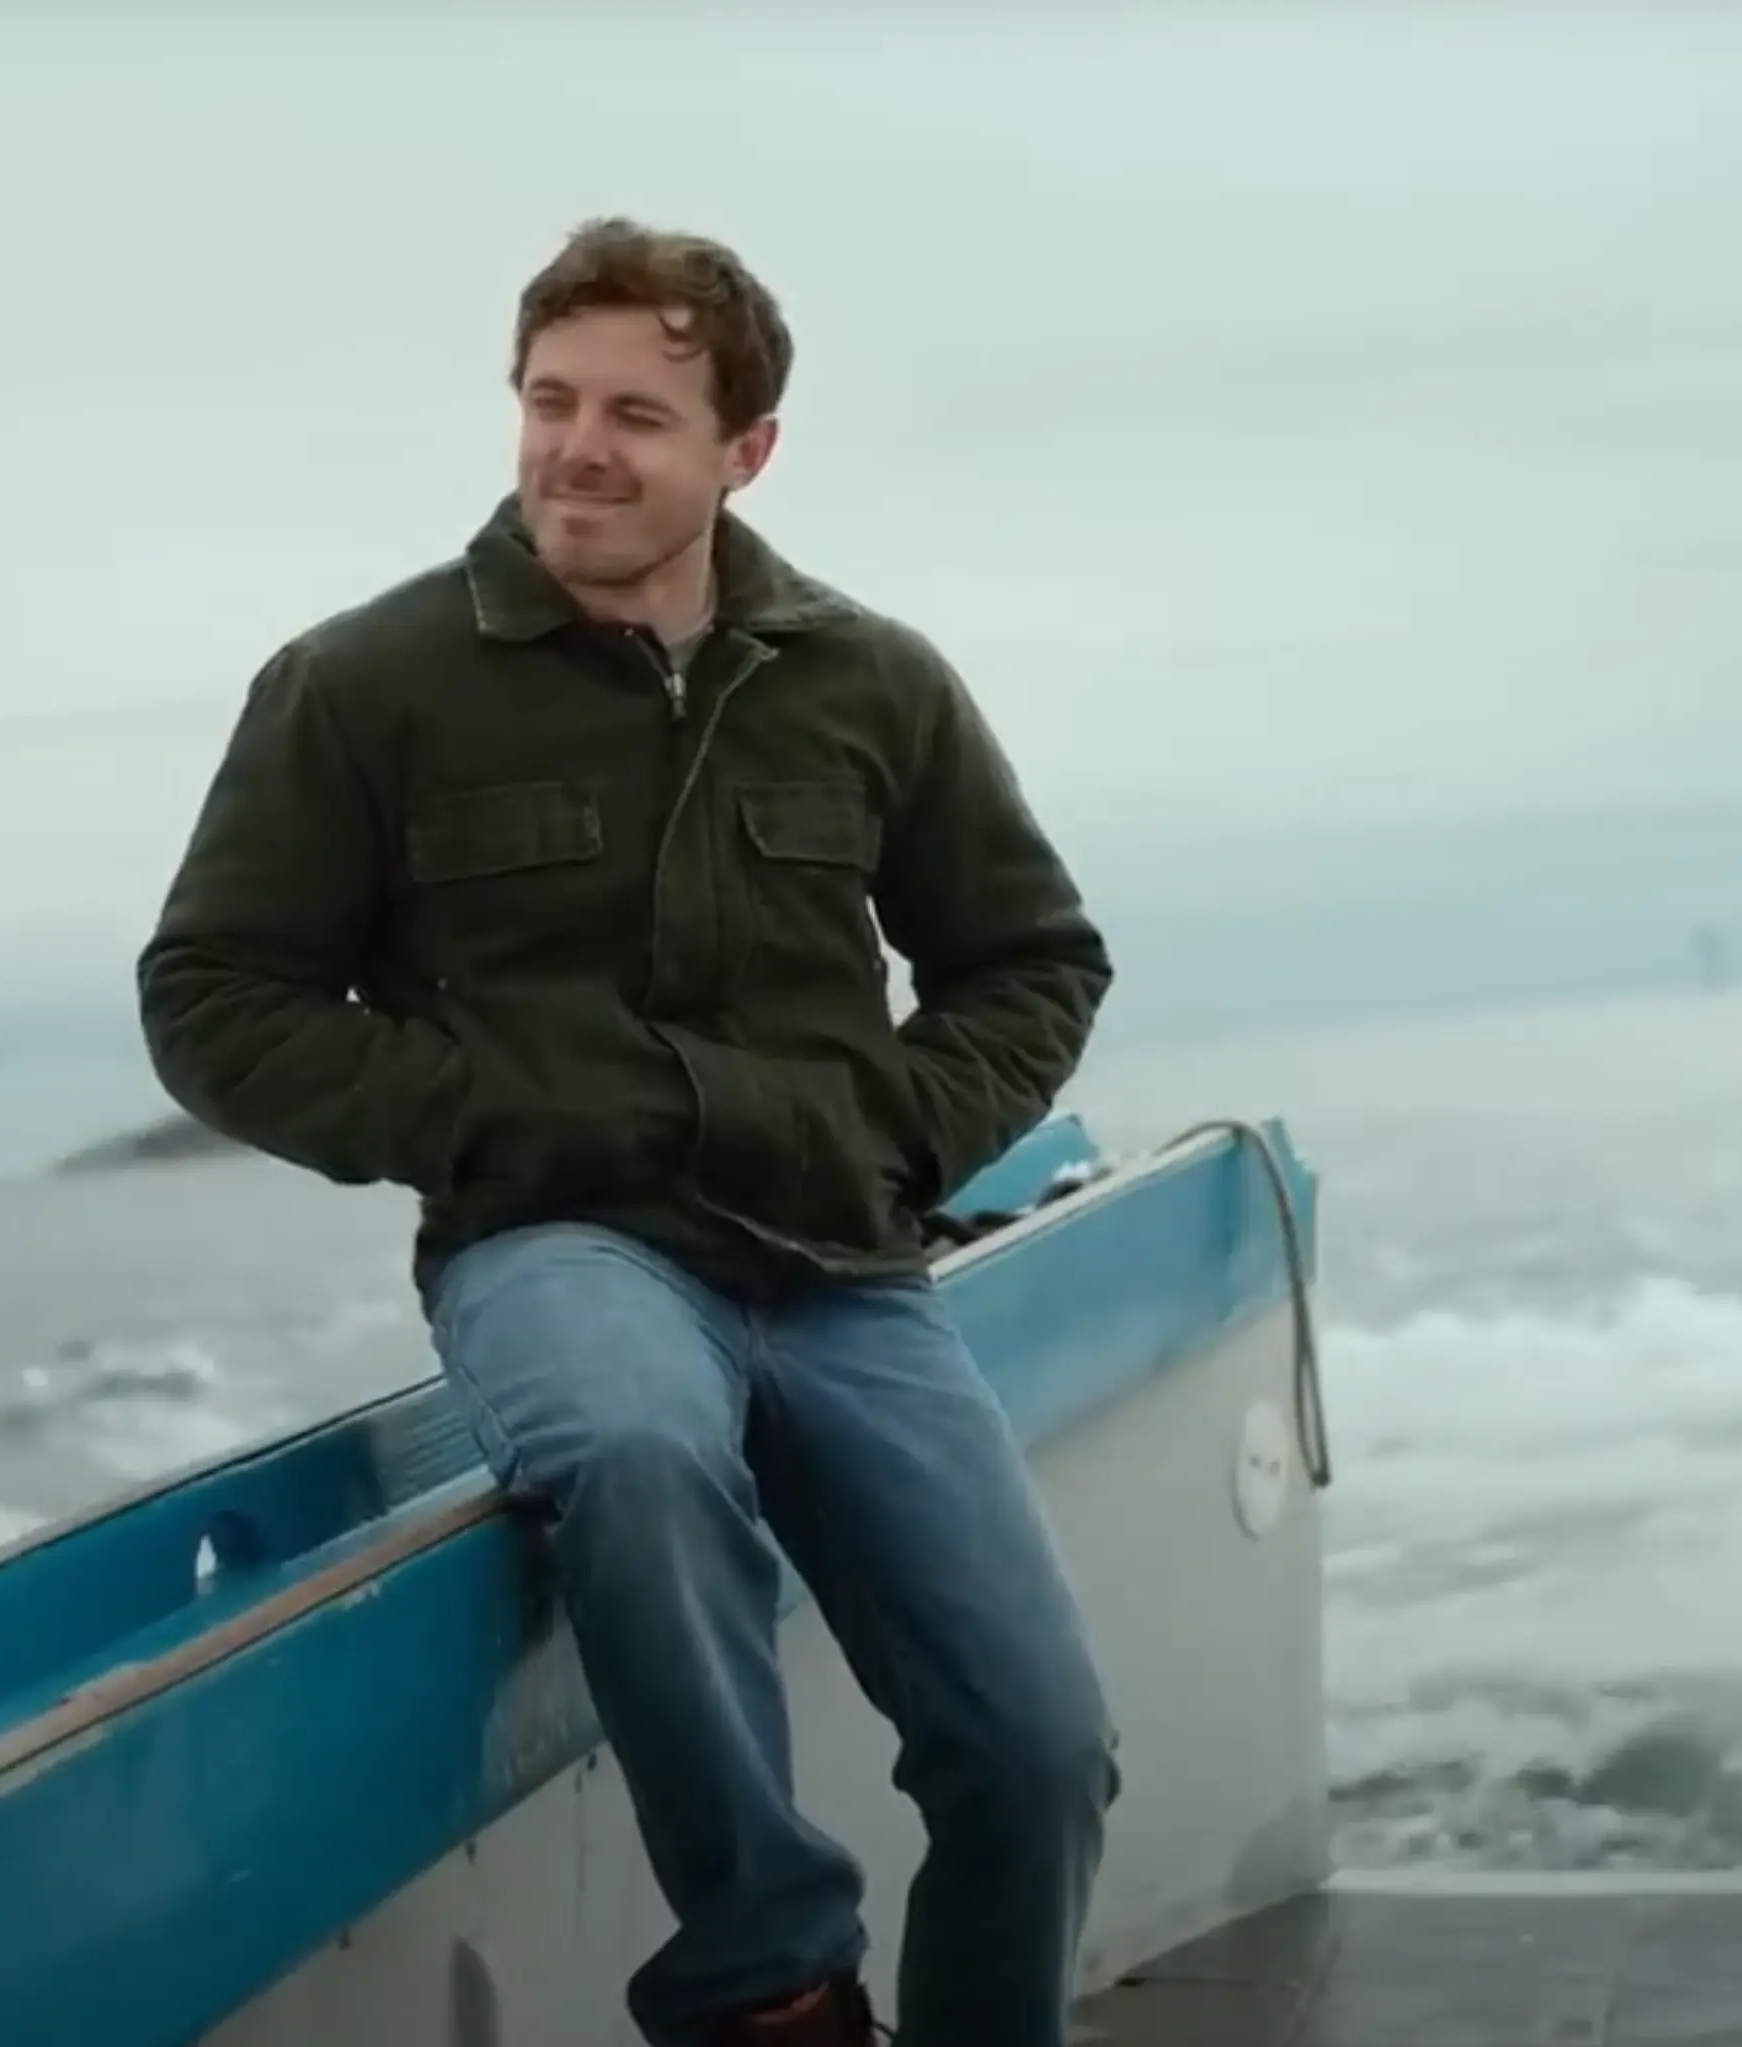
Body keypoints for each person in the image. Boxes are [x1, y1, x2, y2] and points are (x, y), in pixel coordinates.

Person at [133, 217, 1122, 2047]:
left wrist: (899, 1134)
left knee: (1042, 1747)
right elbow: (212, 998)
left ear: (742, 452)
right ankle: (774, 1985)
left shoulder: (869, 680)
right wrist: (495, 1121)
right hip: (559, 1244)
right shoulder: (366, 684)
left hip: (842, 1259)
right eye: (549, 399)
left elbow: (1031, 960)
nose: (577, 447)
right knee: (639, 1450)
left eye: (637, 415)